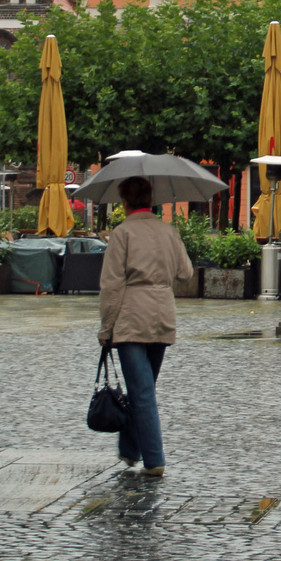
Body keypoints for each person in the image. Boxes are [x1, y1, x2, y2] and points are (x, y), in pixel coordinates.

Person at [97, 175, 194, 477]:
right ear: (151, 199)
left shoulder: (122, 233)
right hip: (162, 314)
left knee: (142, 392)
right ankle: (130, 450)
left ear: (124, 202)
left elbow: (111, 286)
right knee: (144, 388)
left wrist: (106, 328)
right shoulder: (169, 231)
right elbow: (186, 272)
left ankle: (154, 460)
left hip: (132, 317)